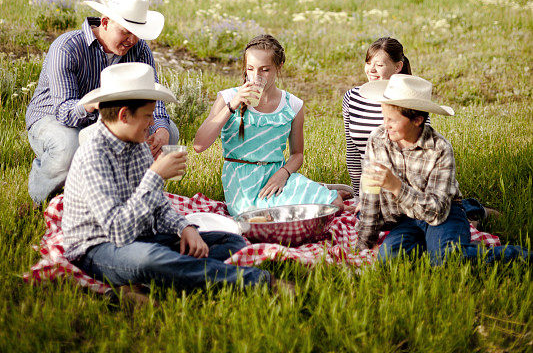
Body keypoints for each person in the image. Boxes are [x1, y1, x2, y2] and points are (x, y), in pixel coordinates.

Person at [62, 62, 271, 294]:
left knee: (231, 242)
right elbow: (119, 231)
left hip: (143, 236)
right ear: (124, 115)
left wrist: (185, 228)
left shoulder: (138, 144)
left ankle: (151, 282)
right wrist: (156, 175)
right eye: (148, 115)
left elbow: (159, 205)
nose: (153, 122)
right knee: (151, 259)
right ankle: (258, 282)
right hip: (100, 248)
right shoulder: (94, 156)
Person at [26, 0, 179, 205]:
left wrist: (161, 128)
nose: (133, 40)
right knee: (70, 146)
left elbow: (152, 94)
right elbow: (64, 111)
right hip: (54, 117)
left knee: (169, 134)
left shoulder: (139, 47)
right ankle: (45, 200)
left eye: (137, 33)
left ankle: (132, 196)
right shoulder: (66, 47)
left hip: (109, 117)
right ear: (105, 22)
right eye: (126, 32)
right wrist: (96, 103)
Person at [356, 74, 531, 265]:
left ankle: (518, 254)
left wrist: (396, 186)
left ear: (417, 120)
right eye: (384, 117)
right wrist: (365, 241)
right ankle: (440, 237)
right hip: (405, 218)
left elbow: (436, 212)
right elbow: (370, 194)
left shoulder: (440, 149)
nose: (385, 125)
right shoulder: (378, 141)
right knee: (390, 259)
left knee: (445, 260)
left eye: (392, 120)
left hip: (444, 213)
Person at [194, 34, 343, 217]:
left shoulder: (292, 105)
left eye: (265, 70)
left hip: (278, 178)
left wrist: (284, 174)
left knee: (335, 205)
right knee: (260, 219)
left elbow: (297, 154)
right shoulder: (227, 98)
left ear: (279, 67)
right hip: (242, 183)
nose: (256, 76)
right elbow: (199, 145)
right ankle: (318, 189)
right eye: (250, 68)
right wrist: (232, 105)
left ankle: (318, 190)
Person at [342, 37, 487, 222]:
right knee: (364, 217)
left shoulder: (410, 101)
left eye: (379, 65)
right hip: (375, 186)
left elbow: (422, 155)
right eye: (368, 63)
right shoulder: (352, 97)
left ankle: (462, 207)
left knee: (420, 217)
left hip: (410, 187)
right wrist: (360, 195)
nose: (371, 69)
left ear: (397, 67)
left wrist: (401, 194)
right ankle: (464, 207)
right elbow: (353, 151)